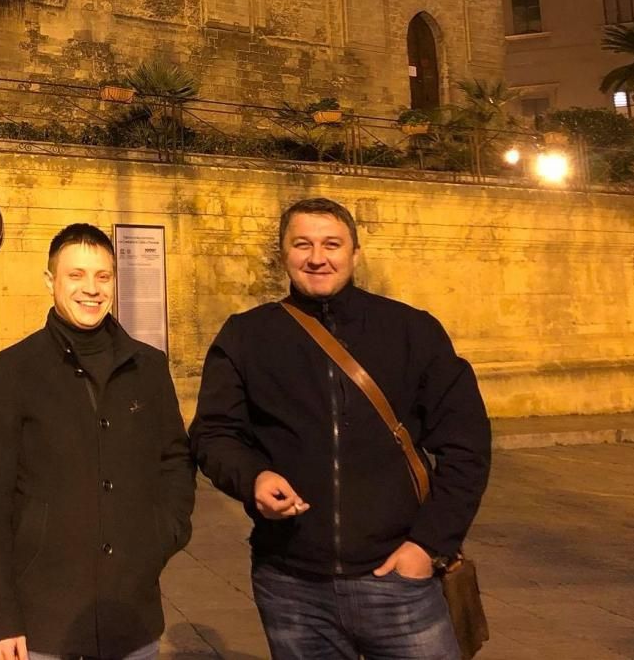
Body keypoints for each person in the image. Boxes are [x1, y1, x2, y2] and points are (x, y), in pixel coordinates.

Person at [189, 197, 490, 660]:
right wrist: (254, 479)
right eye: (302, 244)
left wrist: (427, 546)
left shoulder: (412, 331)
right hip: (290, 584)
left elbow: (466, 445)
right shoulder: (246, 336)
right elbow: (214, 434)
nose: (317, 257)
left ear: (355, 252)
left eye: (332, 244)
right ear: (283, 253)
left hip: (399, 577)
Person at [0, 223, 196, 660]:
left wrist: (163, 532)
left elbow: (174, 458)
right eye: (76, 275)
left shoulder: (148, 367)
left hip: (132, 614)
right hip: (44, 620)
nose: (91, 289)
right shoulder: (11, 372)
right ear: (51, 280)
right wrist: (0, 620)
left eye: (102, 276)